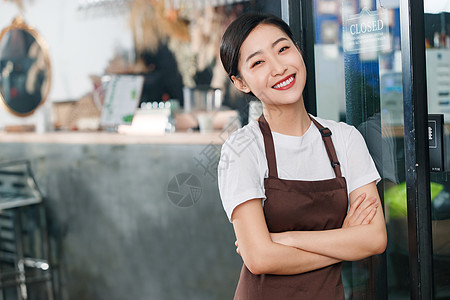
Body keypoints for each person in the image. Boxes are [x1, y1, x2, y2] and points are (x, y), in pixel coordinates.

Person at [217, 13, 387, 299]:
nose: (279, 67)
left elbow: (374, 239)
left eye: (283, 49)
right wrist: (343, 241)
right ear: (241, 82)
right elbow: (259, 259)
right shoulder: (242, 148)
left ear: (298, 50)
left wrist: (287, 240)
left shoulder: (345, 139)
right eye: (258, 62)